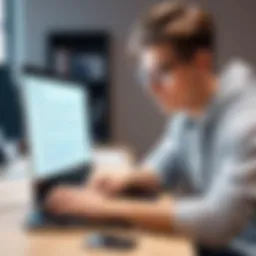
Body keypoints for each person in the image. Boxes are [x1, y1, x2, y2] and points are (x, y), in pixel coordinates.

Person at [47, 2, 256, 255]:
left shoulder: (246, 123)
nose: (151, 88)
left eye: (161, 73)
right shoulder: (189, 112)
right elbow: (164, 165)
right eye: (146, 76)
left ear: (201, 62)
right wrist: (124, 179)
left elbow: (219, 221)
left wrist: (101, 207)